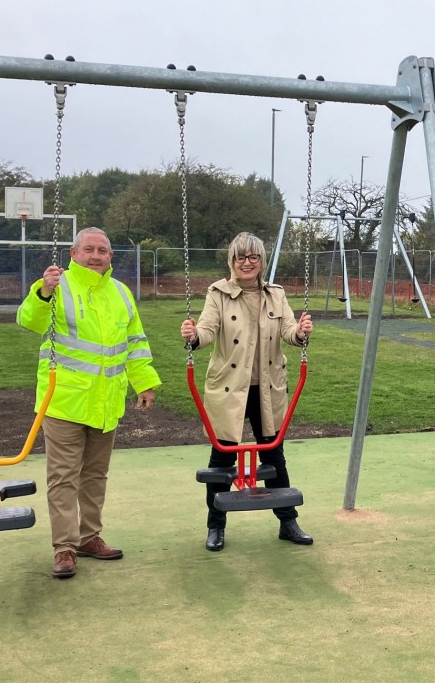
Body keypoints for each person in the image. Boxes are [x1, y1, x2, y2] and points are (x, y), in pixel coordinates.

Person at [17, 227, 160, 579]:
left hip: (106, 403)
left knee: (95, 475)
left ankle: (89, 537)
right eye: (89, 249)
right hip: (63, 400)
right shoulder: (56, 286)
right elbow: (28, 320)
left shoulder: (122, 293)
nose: (96, 256)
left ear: (111, 257)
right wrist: (43, 292)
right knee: (63, 477)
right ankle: (64, 548)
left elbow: (135, 343)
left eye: (103, 251)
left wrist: (145, 383)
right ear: (74, 252)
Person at [180, 231, 314, 552]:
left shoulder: (276, 295)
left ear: (261, 261)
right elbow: (208, 330)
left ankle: (287, 521)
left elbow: (288, 331)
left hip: (267, 388)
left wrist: (300, 332)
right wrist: (193, 335)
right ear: (232, 261)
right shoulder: (219, 294)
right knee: (222, 460)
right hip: (230, 389)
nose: (247, 262)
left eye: (253, 256)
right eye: (241, 257)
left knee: (273, 455)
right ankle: (216, 526)